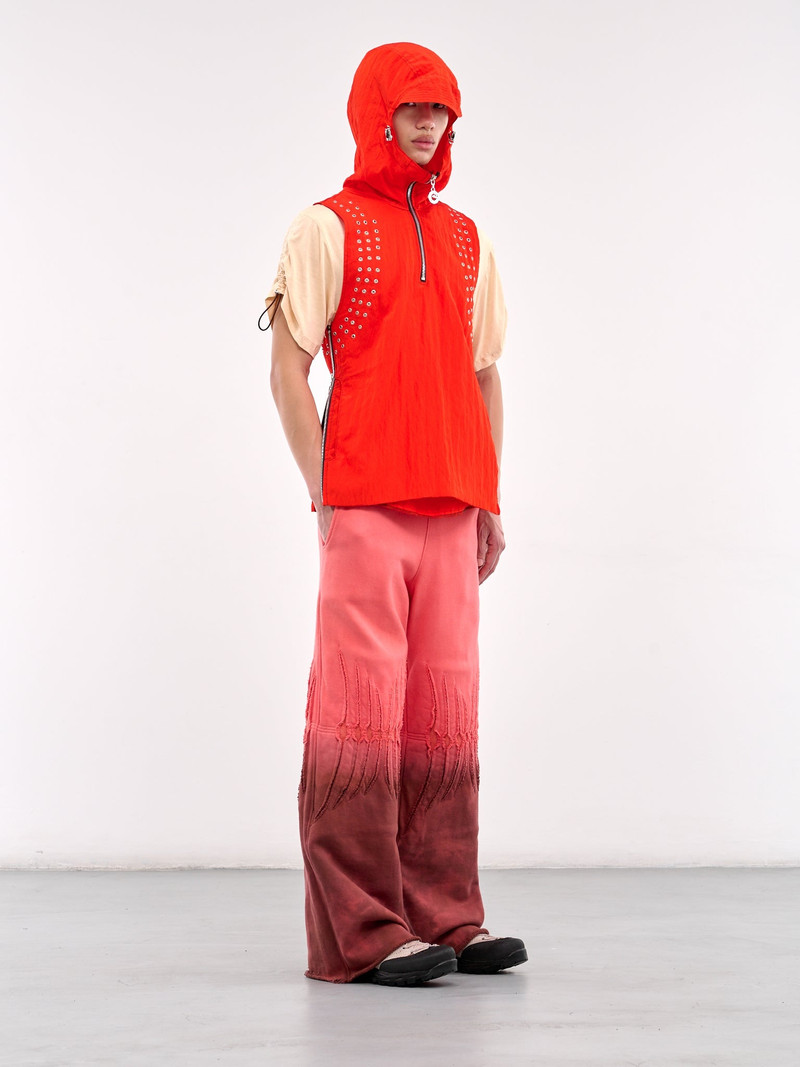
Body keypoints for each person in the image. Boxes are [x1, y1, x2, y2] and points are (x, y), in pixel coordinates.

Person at [262, 41, 527, 986]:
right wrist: (324, 489)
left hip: (453, 507)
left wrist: (489, 494)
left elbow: (484, 373)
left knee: (442, 715)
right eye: (412, 107)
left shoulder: (467, 238)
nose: (429, 124)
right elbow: (288, 366)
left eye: (442, 110)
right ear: (376, 114)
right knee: (358, 717)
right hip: (367, 503)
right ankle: (361, 932)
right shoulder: (327, 227)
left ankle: (447, 914)